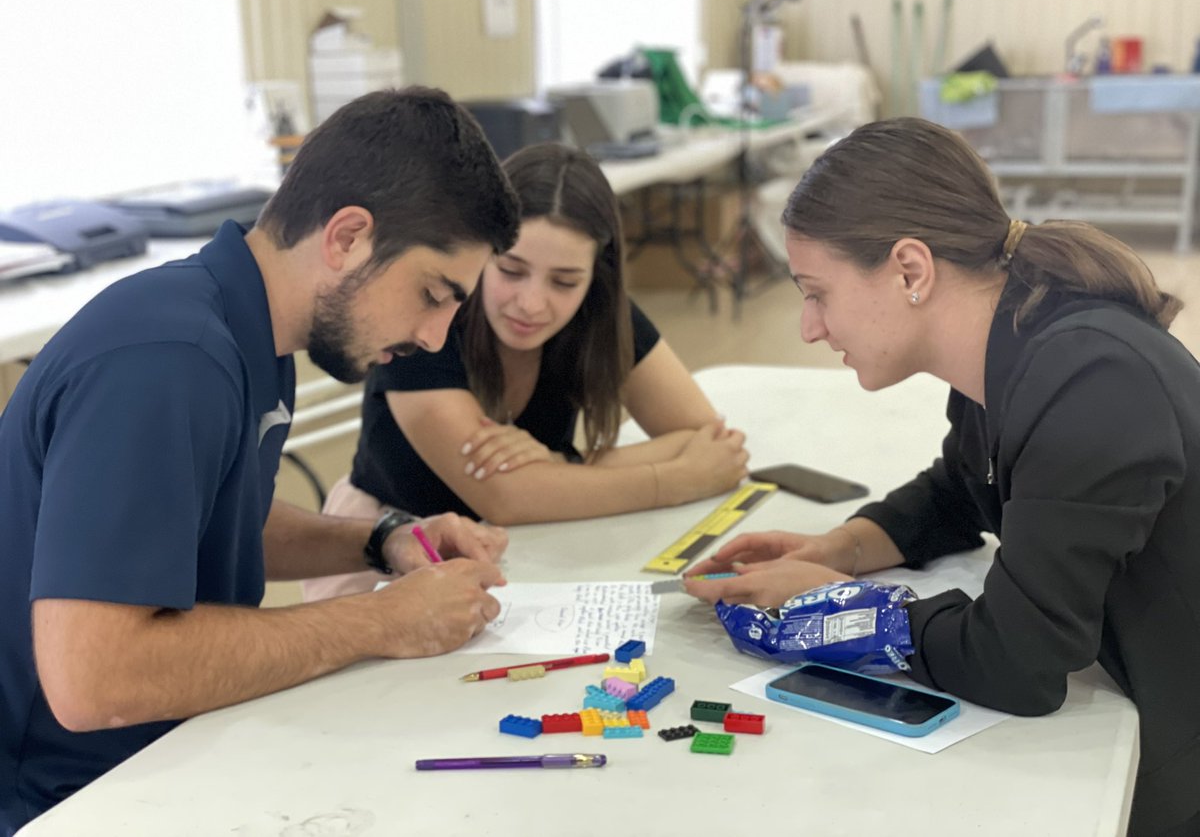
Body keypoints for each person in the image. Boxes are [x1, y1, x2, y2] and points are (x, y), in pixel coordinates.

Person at [0, 86, 521, 835]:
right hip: (64, 799)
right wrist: (379, 622)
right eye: (434, 295)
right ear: (346, 237)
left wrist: (380, 539)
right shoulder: (168, 362)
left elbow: (208, 515)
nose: (438, 337)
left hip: (168, 748)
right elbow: (96, 681)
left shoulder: (247, 333)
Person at [684, 117, 1200, 837]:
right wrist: (836, 548)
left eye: (817, 292)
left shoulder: (1091, 378)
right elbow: (965, 485)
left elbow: (1018, 663)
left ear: (910, 270)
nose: (807, 326)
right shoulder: (1017, 337)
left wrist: (837, 607)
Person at [301, 143, 747, 600]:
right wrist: (674, 480)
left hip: (527, 547)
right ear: (481, 252)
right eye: (511, 270)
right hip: (389, 542)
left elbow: (707, 439)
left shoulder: (598, 312)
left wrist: (560, 464)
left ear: (597, 274)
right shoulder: (429, 312)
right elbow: (506, 497)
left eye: (564, 282)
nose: (532, 304)